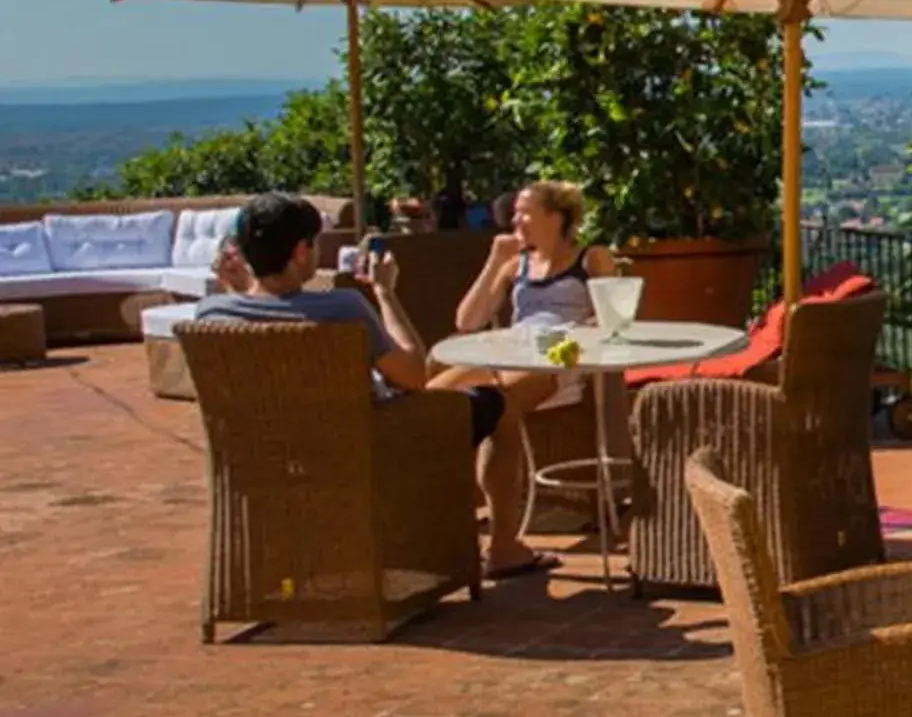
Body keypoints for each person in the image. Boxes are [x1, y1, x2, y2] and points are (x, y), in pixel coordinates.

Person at [196, 193, 507, 453]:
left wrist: (237, 288)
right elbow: (412, 375)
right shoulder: (343, 307)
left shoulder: (210, 317)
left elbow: (260, 305)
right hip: (363, 448)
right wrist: (385, 293)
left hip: (264, 455)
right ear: (302, 252)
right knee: (494, 401)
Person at [428, 178, 621, 577]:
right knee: (435, 402)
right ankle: (486, 542)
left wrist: (573, 337)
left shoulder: (591, 259)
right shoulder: (514, 264)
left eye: (524, 211)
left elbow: (613, 323)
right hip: (509, 354)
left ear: (555, 217)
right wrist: (492, 261)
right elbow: (467, 321)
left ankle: (496, 544)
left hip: (559, 361)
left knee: (494, 406)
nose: (514, 219)